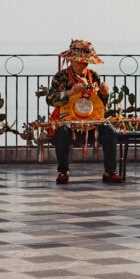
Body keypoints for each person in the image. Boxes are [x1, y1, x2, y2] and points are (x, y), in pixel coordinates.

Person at [46, 39, 121, 184]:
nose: (83, 65)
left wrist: (104, 95)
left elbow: (100, 105)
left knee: (110, 131)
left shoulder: (94, 76)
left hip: (91, 123)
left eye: (86, 62)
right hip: (69, 122)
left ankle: (110, 171)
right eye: (80, 62)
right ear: (71, 61)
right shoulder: (61, 77)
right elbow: (50, 99)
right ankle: (63, 171)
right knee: (61, 132)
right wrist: (68, 93)